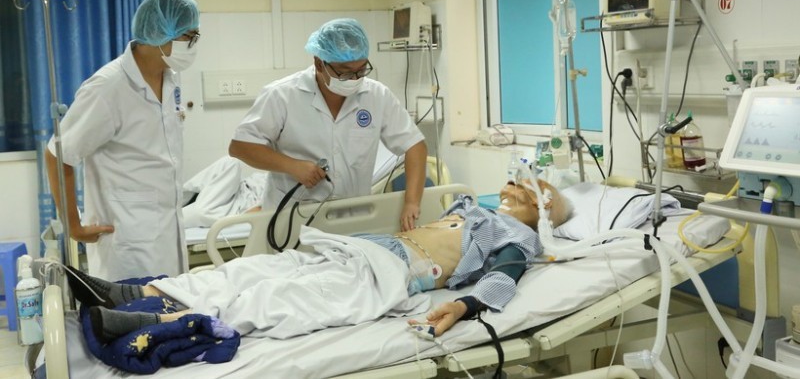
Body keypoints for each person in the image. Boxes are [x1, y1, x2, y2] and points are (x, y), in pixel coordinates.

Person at [67, 178, 572, 342]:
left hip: (396, 274)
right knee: (250, 268)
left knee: (276, 298)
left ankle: (154, 324)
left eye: (532, 188)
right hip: (364, 249)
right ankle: (134, 292)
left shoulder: (520, 239)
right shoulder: (474, 206)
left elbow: (504, 277)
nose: (515, 184)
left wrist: (461, 308)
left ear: (543, 211)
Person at [46, 0, 201, 281]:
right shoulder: (108, 87)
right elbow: (57, 154)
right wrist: (73, 226)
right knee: (136, 307)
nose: (193, 44)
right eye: (188, 36)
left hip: (168, 232)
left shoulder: (171, 78)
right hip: (127, 244)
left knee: (172, 304)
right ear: (160, 34)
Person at [228, 18, 427, 231]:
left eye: (361, 70)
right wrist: (292, 166)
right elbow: (240, 147)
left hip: (354, 217)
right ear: (319, 63)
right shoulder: (282, 95)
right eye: (344, 72)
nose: (354, 79)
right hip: (293, 221)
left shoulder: (377, 95)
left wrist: (411, 202)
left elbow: (414, 145)